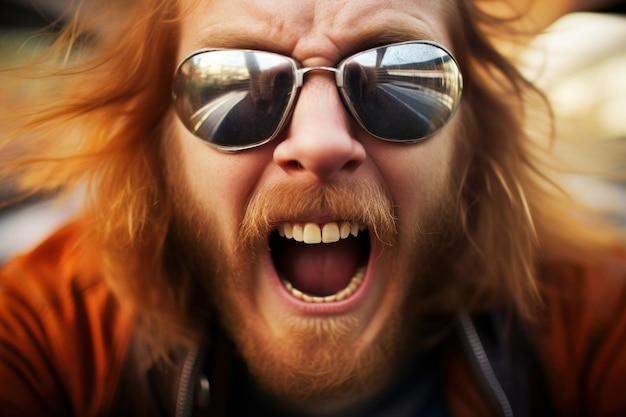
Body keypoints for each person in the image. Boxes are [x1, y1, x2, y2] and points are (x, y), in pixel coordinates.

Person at [0, 0, 625, 416]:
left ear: (473, 137)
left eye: (400, 77)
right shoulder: (46, 334)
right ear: (157, 143)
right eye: (238, 81)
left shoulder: (594, 320)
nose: (321, 142)